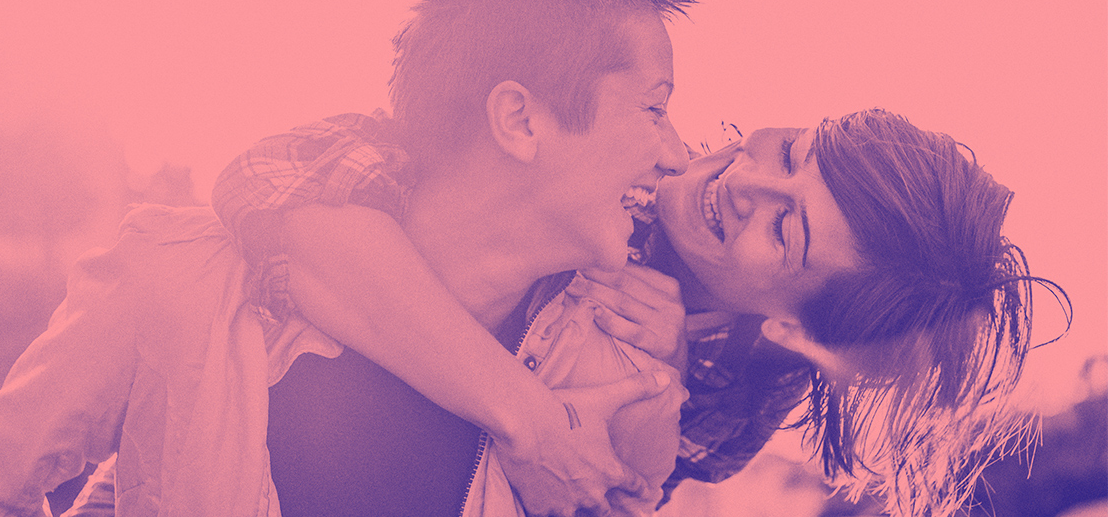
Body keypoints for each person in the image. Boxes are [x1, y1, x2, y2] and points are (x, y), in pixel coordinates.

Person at [0, 0, 699, 517]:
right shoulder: (181, 278)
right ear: (521, 120)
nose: (676, 153)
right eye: (654, 107)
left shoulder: (595, 379)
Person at [211, 107, 1068, 517]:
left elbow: (588, 498)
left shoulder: (732, 403)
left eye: (784, 229)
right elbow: (270, 178)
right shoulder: (605, 136)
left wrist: (664, 389)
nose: (745, 179)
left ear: (794, 330)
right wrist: (532, 417)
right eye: (790, 153)